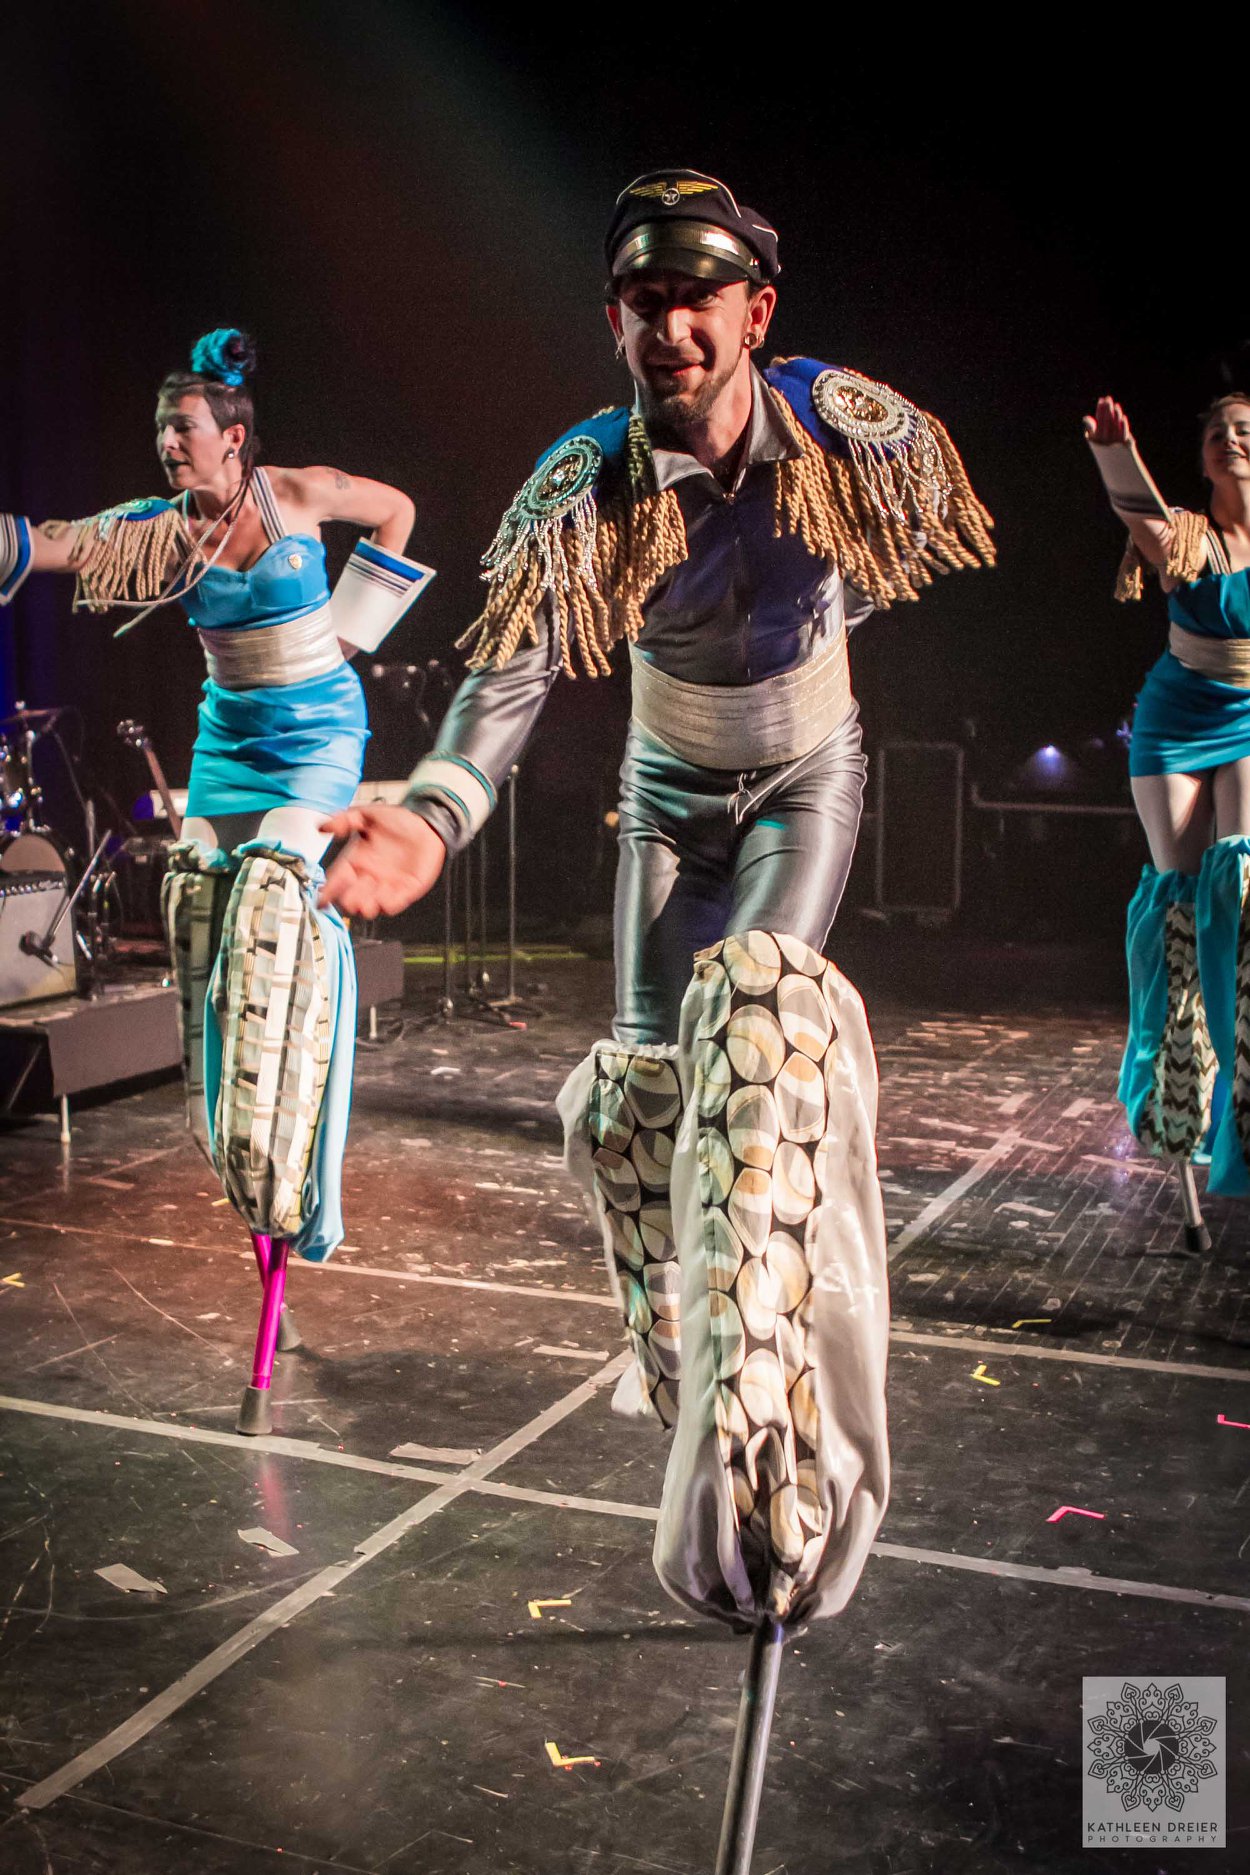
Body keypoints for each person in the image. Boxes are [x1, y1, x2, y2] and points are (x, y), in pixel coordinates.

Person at [320, 170, 992, 1615]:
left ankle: (776, 1403)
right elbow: (506, 668)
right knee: (639, 1097)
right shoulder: (585, 479)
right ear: (613, 318)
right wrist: (437, 810)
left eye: (699, 299)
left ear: (755, 312)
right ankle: (687, 1350)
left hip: (802, 778)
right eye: (643, 300)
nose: (670, 327)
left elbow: (899, 544)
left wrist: (824, 654)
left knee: (750, 1042)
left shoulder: (840, 425)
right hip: (665, 794)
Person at [1, 327, 430, 1425]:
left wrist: (350, 630)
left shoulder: (296, 492)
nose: (164, 445)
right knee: (199, 923)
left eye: (180, 428)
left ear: (233, 438)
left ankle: (298, 1180)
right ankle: (245, 1177)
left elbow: (397, 513)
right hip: (227, 746)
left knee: (273, 915)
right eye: (157, 430)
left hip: (320, 733)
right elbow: (52, 545)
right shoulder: (158, 533)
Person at [1086, 391, 1250, 1197]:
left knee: (1240, 882)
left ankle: (1241, 1080)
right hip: (1178, 719)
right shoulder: (1194, 535)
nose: (1231, 440)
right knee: (1181, 909)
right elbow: (1144, 523)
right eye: (1217, 430)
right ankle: (1179, 1099)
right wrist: (1118, 453)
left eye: (1245, 429)